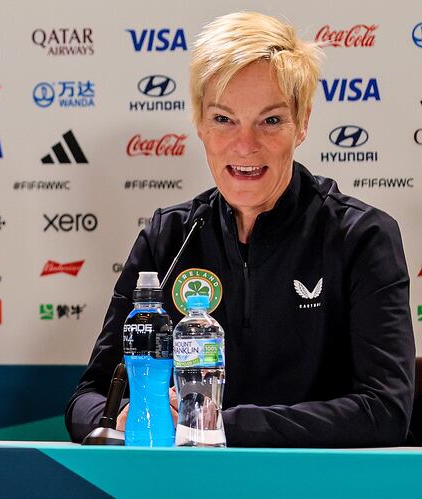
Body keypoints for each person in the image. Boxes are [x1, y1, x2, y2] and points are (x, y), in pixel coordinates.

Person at [66, 12, 414, 447]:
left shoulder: (361, 237)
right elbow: (88, 399)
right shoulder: (167, 237)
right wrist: (125, 415)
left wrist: (220, 424)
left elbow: (386, 411)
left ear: (301, 123)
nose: (245, 144)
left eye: (270, 121)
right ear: (199, 124)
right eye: (223, 119)